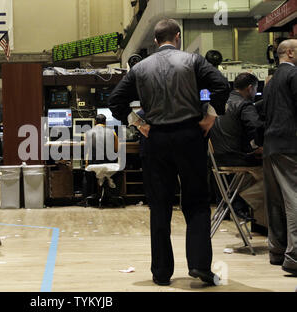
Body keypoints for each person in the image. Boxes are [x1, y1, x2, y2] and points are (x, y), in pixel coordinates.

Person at [108, 18, 230, 286]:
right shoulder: (193, 61)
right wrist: (210, 116)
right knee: (197, 202)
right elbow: (221, 86)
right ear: (178, 36)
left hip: (157, 140)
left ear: (154, 41)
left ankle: (161, 273)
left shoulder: (140, 68)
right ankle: (199, 266)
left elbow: (115, 101)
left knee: (159, 206)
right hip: (190, 135)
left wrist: (139, 123)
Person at [262, 39, 297, 276]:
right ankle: (294, 256)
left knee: (275, 201)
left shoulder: (270, 82)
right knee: (294, 198)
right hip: (290, 143)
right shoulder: (293, 76)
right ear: (291, 53)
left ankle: (276, 250)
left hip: (271, 144)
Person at [209, 72, 264, 220]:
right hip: (238, 159)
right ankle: (243, 201)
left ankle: (234, 201)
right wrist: (258, 146)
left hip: (218, 159)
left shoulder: (219, 103)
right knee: (273, 174)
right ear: (250, 88)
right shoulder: (245, 104)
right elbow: (256, 128)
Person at [81, 114, 120, 206]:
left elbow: (87, 150)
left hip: (95, 164)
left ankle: (87, 198)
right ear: (105, 122)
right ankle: (113, 194)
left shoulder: (88, 133)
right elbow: (116, 150)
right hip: (110, 163)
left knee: (86, 172)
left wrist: (87, 163)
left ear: (95, 122)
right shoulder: (113, 132)